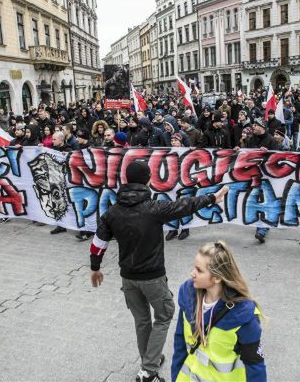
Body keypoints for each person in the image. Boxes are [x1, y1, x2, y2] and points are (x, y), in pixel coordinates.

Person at [90, 160, 229, 382]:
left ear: (126, 180)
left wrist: (95, 268)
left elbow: (99, 242)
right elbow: (185, 205)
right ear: (147, 180)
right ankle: (148, 370)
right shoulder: (154, 208)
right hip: (153, 277)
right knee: (164, 315)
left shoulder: (112, 212)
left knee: (142, 320)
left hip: (128, 278)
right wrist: (213, 197)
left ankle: (149, 360)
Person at [171, 241, 266, 382]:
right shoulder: (187, 295)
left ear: (217, 277)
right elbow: (180, 344)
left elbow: (255, 366)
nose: (192, 273)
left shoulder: (243, 315)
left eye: (199, 270)